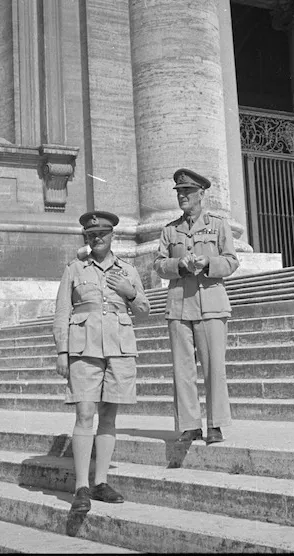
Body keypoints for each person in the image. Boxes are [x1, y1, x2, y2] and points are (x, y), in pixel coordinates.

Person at [53, 210, 150, 514]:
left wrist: (129, 292)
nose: (96, 239)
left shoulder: (127, 271)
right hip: (84, 350)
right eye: (91, 235)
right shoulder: (74, 269)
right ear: (86, 238)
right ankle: (81, 486)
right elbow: (61, 312)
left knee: (109, 417)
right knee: (84, 414)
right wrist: (61, 352)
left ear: (112, 236)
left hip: (119, 351)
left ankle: (101, 482)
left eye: (102, 234)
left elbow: (145, 310)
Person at [153, 169, 239, 445]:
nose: (182, 196)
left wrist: (207, 264)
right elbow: (158, 265)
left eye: (187, 192)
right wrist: (178, 265)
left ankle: (215, 424)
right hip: (179, 305)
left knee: (214, 367)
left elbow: (231, 261)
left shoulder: (218, 225)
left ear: (201, 194)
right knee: (182, 368)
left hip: (211, 303)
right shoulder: (169, 230)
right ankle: (189, 425)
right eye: (179, 192)